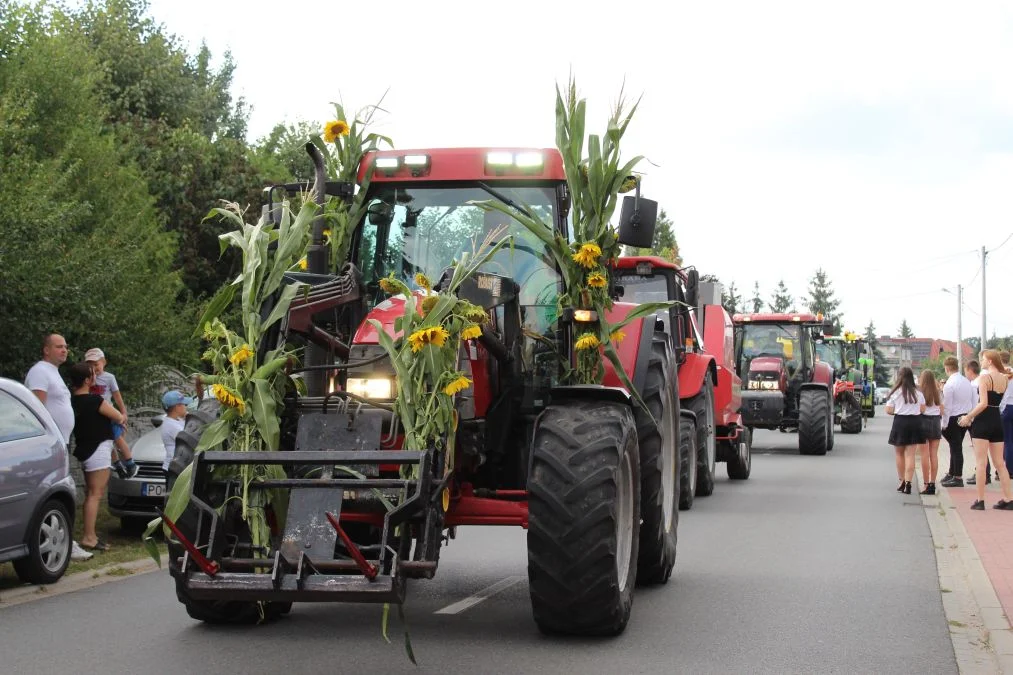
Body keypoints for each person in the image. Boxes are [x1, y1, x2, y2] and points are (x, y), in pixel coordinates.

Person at [24, 333, 93, 562]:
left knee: (62, 491)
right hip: (49, 445)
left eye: (65, 347)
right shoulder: (40, 372)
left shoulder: (53, 372)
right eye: (59, 346)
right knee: (55, 493)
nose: (64, 350)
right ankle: (61, 541)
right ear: (46, 350)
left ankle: (63, 539)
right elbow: (37, 408)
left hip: (60, 442)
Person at [68, 361, 127, 551]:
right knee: (96, 494)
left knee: (90, 493)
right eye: (93, 374)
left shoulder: (72, 401)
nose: (96, 376)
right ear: (87, 380)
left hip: (85, 447)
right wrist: (120, 418)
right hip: (99, 448)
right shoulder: (95, 400)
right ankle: (89, 537)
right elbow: (118, 416)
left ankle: (90, 534)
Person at [958, 350, 1013, 510]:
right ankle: (1009, 498)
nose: (981, 362)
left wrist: (968, 417)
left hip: (982, 421)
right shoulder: (1005, 379)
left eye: (983, 359)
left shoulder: (984, 378)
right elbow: (1000, 403)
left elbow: (983, 403)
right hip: (997, 420)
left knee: (981, 462)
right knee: (1000, 464)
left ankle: (980, 500)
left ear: (990, 361)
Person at [84, 348, 138, 479]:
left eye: (96, 364)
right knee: (106, 442)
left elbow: (117, 396)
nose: (93, 368)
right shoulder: (87, 379)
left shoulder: (109, 378)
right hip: (95, 416)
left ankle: (130, 463)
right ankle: (117, 464)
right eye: (90, 365)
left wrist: (123, 412)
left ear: (104, 362)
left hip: (109, 414)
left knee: (117, 438)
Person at [886, 367, 926, 495]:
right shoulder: (918, 393)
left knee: (899, 454)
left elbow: (888, 410)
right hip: (915, 422)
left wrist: (899, 410)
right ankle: (909, 483)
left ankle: (902, 480)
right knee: (910, 455)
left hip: (900, 422)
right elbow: (923, 409)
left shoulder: (896, 393)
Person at [940, 356, 975, 488]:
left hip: (953, 417)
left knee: (956, 447)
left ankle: (958, 477)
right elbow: (972, 400)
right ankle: (952, 472)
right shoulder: (966, 381)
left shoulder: (949, 384)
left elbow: (947, 406)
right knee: (955, 446)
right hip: (965, 416)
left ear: (947, 368)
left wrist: (944, 423)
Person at [964, 360, 991, 485]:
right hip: (984, 417)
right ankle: (986, 473)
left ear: (970, 370)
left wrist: (969, 417)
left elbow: (974, 403)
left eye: (965, 371)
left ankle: (982, 474)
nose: (965, 374)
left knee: (979, 450)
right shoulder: (979, 381)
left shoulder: (974, 384)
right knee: (982, 450)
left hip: (976, 417)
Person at [918, 370, 943, 495]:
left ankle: (926, 484)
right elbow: (942, 410)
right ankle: (933, 483)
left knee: (924, 455)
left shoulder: (919, 392)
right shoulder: (938, 392)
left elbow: (918, 409)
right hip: (936, 422)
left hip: (923, 421)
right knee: (934, 454)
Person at [160, 390, 192, 473]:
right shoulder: (171, 425)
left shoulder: (177, 420)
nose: (186, 407)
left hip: (178, 466)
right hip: (174, 468)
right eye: (184, 404)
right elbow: (189, 439)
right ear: (177, 407)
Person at [999, 351, 1013, 477]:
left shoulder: (1002, 374)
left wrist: (1000, 409)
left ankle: (1008, 469)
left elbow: (1003, 394)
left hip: (1006, 407)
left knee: (1006, 440)